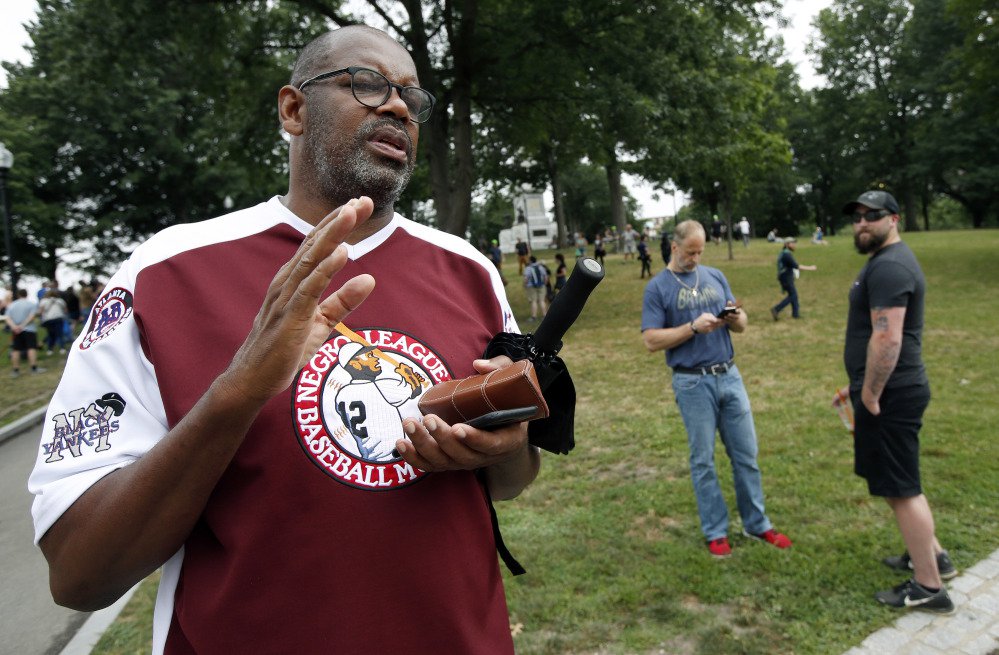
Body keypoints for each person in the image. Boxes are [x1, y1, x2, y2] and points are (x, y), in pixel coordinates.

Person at [28, 26, 543, 654]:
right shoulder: (167, 272)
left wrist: (504, 448)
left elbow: (510, 478)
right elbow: (79, 570)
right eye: (369, 83)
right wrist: (239, 390)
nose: (400, 107)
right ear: (293, 109)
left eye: (413, 97)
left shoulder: (468, 270)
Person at [641, 220, 791, 559]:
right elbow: (650, 340)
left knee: (746, 455)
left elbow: (743, 323)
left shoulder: (715, 276)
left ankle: (757, 523)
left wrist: (735, 318)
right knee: (703, 461)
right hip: (692, 381)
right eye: (691, 252)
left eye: (701, 251)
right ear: (675, 247)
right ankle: (716, 531)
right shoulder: (658, 288)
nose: (696, 258)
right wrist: (693, 327)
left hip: (729, 375)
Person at [841, 190, 955, 614]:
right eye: (857, 217)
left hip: (890, 394)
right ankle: (934, 557)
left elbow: (888, 338)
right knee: (896, 482)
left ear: (894, 219)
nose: (862, 223)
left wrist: (869, 392)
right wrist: (855, 384)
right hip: (885, 389)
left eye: (872, 216)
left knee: (903, 489)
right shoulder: (884, 261)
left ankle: (928, 586)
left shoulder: (889, 266)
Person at [770, 237, 817, 320]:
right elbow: (797, 266)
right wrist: (811, 268)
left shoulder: (785, 253)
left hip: (785, 277)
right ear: (787, 245)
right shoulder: (787, 255)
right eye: (792, 243)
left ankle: (795, 314)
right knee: (793, 295)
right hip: (786, 278)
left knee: (793, 295)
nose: (794, 245)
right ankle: (776, 309)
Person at [6, 288, 44, 376]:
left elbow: (8, 318)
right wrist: (22, 326)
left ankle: (16, 370)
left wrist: (15, 327)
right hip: (29, 329)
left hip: (16, 331)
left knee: (16, 349)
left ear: (18, 295)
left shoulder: (12, 305)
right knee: (31, 348)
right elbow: (31, 317)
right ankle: (34, 368)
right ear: (26, 294)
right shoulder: (31, 304)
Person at [38, 288, 69, 355]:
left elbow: (40, 312)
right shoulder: (60, 301)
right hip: (59, 318)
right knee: (60, 334)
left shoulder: (43, 301)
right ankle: (62, 348)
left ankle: (50, 349)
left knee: (51, 334)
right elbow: (65, 310)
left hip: (48, 319)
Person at [523, 255, 549, 322]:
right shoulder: (541, 267)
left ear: (530, 261)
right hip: (541, 285)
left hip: (531, 286)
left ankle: (534, 316)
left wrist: (525, 285)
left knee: (533, 301)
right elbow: (545, 277)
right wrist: (544, 284)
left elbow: (526, 279)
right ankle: (544, 315)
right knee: (542, 301)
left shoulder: (528, 268)